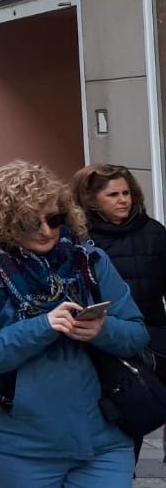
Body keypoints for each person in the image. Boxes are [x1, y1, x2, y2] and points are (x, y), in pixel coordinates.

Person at [0, 160, 147, 486]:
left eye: (53, 219)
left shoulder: (91, 262)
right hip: (24, 448)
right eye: (30, 221)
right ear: (6, 222)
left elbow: (137, 333)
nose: (46, 230)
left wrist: (103, 330)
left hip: (105, 440)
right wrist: (41, 327)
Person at [76, 161, 166, 460]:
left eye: (126, 193)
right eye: (113, 195)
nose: (123, 200)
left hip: (154, 340)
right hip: (104, 342)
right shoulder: (78, 240)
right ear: (92, 200)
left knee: (149, 406)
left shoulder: (153, 232)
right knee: (125, 412)